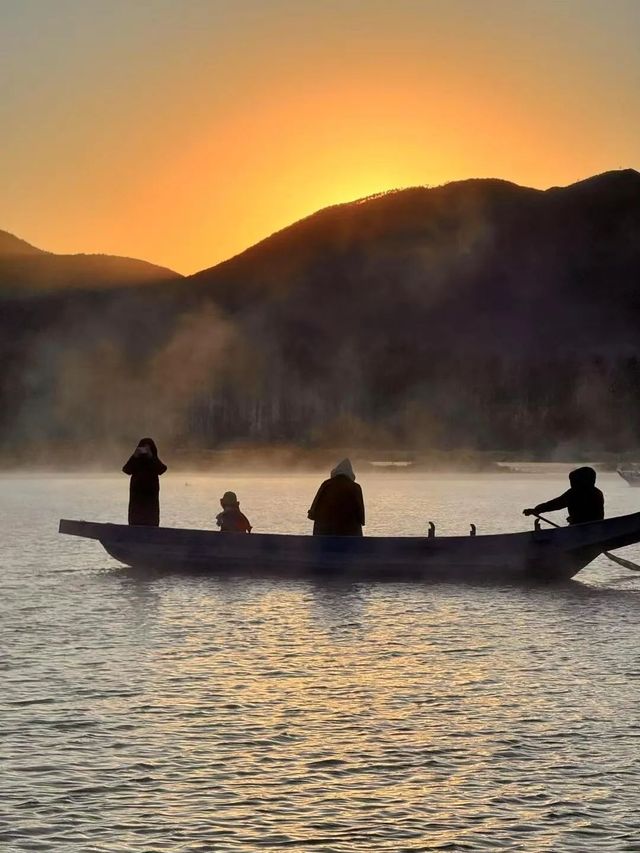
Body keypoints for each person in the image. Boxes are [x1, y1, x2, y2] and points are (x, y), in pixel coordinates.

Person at [523, 466, 604, 525]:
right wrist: (537, 510)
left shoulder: (577, 493)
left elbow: (556, 504)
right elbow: (556, 503)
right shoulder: (576, 492)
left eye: (574, 481)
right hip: (582, 528)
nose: (571, 484)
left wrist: (537, 510)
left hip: (584, 528)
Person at [308, 458, 365, 536]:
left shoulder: (326, 484)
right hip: (349, 532)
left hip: (323, 531)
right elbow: (361, 516)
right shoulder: (355, 487)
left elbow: (313, 512)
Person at [122, 438, 167, 526]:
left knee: (151, 520)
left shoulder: (153, 462)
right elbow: (126, 469)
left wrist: (151, 456)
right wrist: (134, 456)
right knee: (135, 521)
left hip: (150, 499)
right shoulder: (136, 461)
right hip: (136, 499)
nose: (144, 451)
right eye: (143, 448)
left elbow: (162, 469)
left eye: (147, 448)